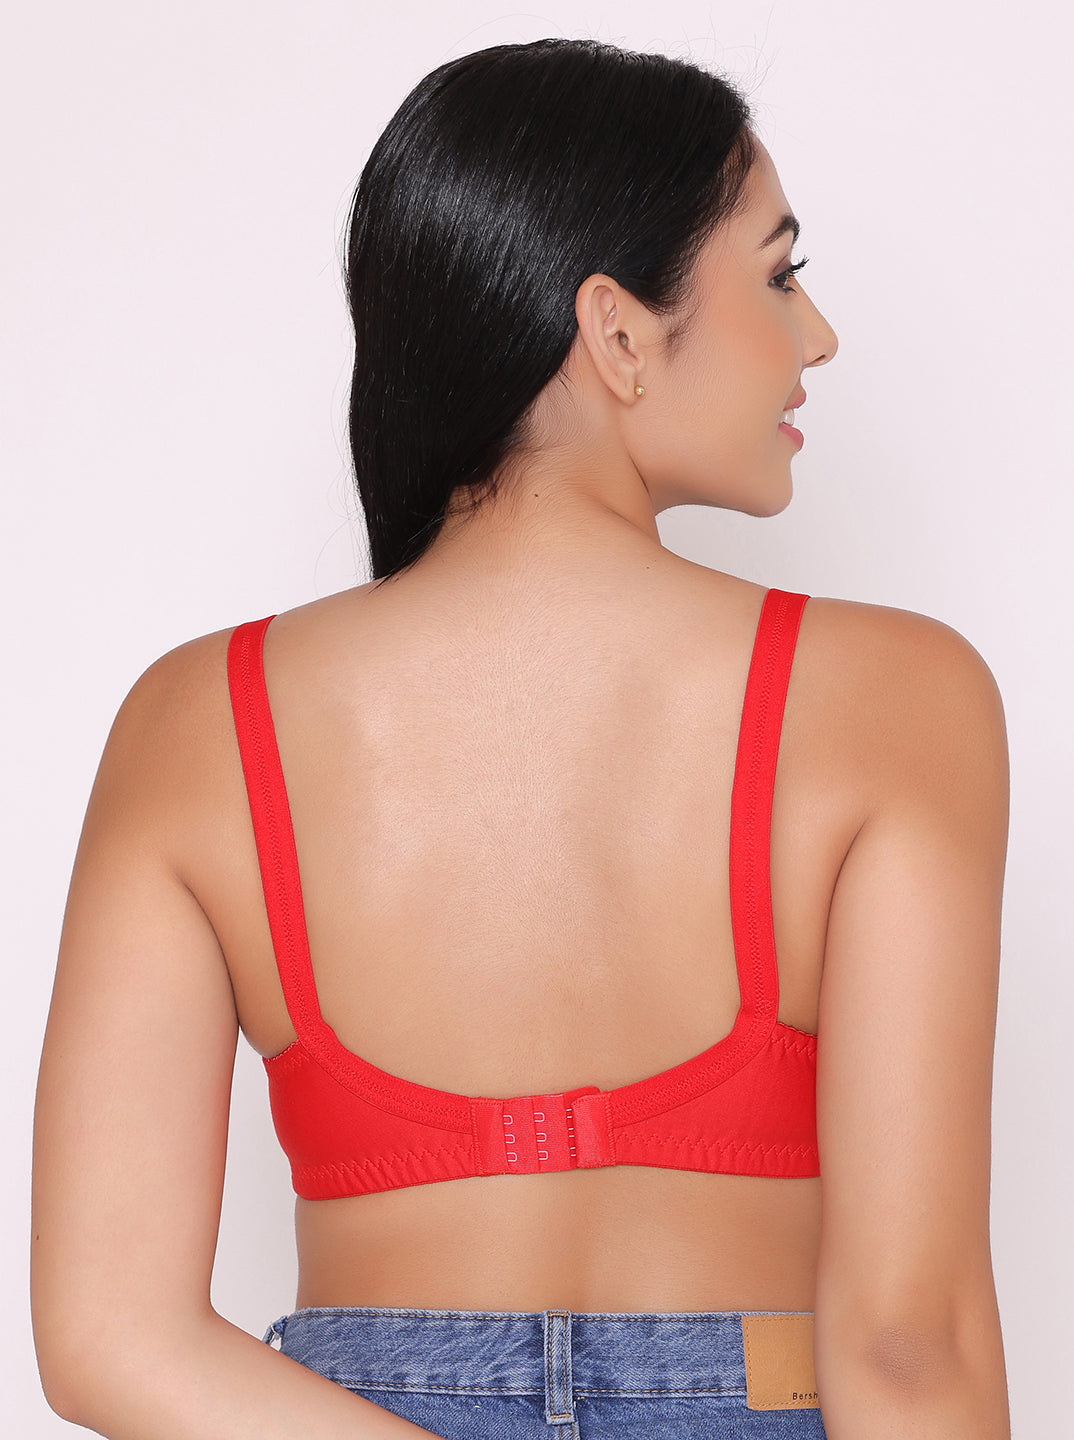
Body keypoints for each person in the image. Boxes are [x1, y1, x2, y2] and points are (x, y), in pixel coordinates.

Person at [30, 35, 1011, 1440]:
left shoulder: (200, 723)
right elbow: (908, 1350)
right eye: (778, 273)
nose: (818, 335)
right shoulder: (897, 699)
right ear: (617, 332)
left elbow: (108, 1338)